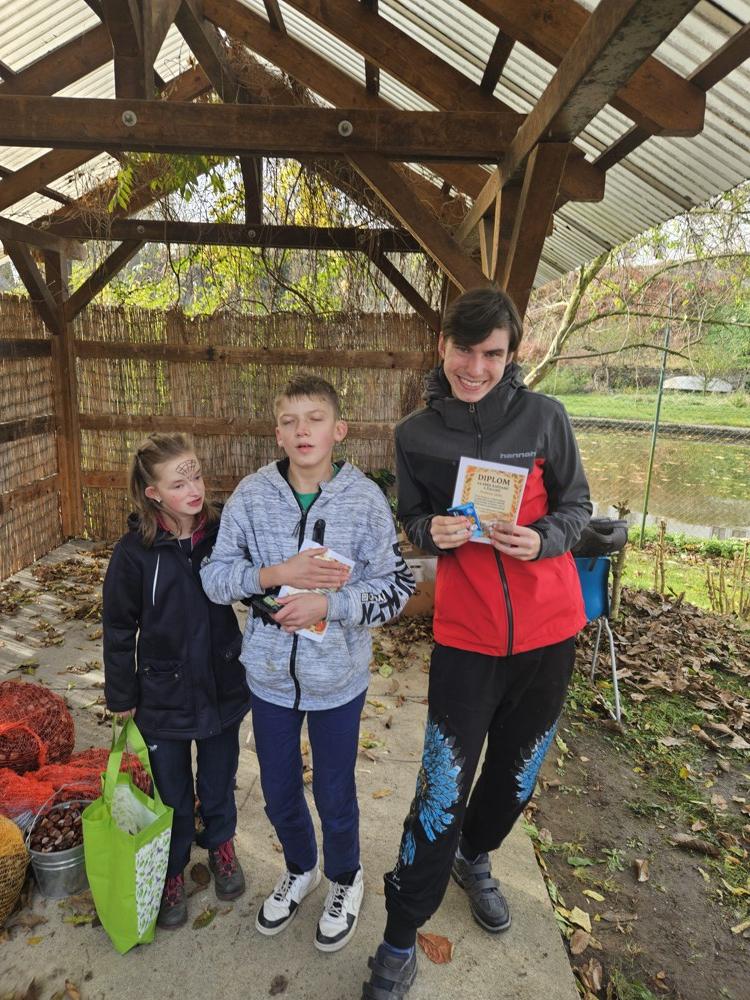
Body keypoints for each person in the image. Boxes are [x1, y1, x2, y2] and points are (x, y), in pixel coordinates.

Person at [362, 287, 592, 998]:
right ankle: (400, 935)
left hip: (550, 634)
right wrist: (432, 533)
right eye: (464, 350)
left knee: (516, 775)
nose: (475, 367)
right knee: (442, 784)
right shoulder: (415, 435)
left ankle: (477, 853)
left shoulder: (545, 417)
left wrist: (544, 539)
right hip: (467, 639)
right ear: (443, 346)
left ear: (511, 353)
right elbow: (412, 519)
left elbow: (578, 506)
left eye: (492, 353)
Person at [201, 375, 415, 953]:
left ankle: (345, 877)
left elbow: (396, 588)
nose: (302, 431)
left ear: (338, 430)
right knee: (276, 789)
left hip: (337, 681)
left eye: (315, 419)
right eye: (290, 421)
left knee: (335, 792)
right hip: (269, 678)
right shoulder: (252, 496)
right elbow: (214, 578)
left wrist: (330, 605)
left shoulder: (364, 501)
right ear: (277, 433)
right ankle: (301, 868)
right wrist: (276, 575)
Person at [103, 433, 251, 930]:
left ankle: (222, 843)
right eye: (178, 483)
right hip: (162, 694)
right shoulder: (133, 553)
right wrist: (121, 694)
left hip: (222, 682)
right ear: (153, 493)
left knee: (218, 777)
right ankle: (170, 868)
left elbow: (254, 582)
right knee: (171, 790)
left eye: (196, 476)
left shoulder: (223, 532)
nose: (193, 489)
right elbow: (118, 626)